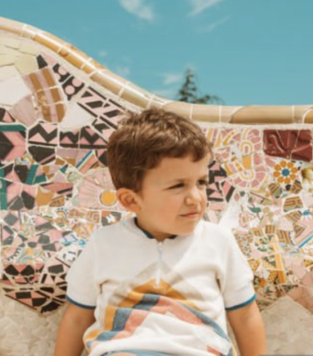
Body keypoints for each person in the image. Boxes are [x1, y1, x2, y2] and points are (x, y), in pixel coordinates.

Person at [53, 108, 267, 356]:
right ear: (131, 200)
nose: (196, 198)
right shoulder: (104, 244)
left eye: (201, 182)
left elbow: (245, 316)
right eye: (178, 186)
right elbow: (78, 317)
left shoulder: (218, 242)